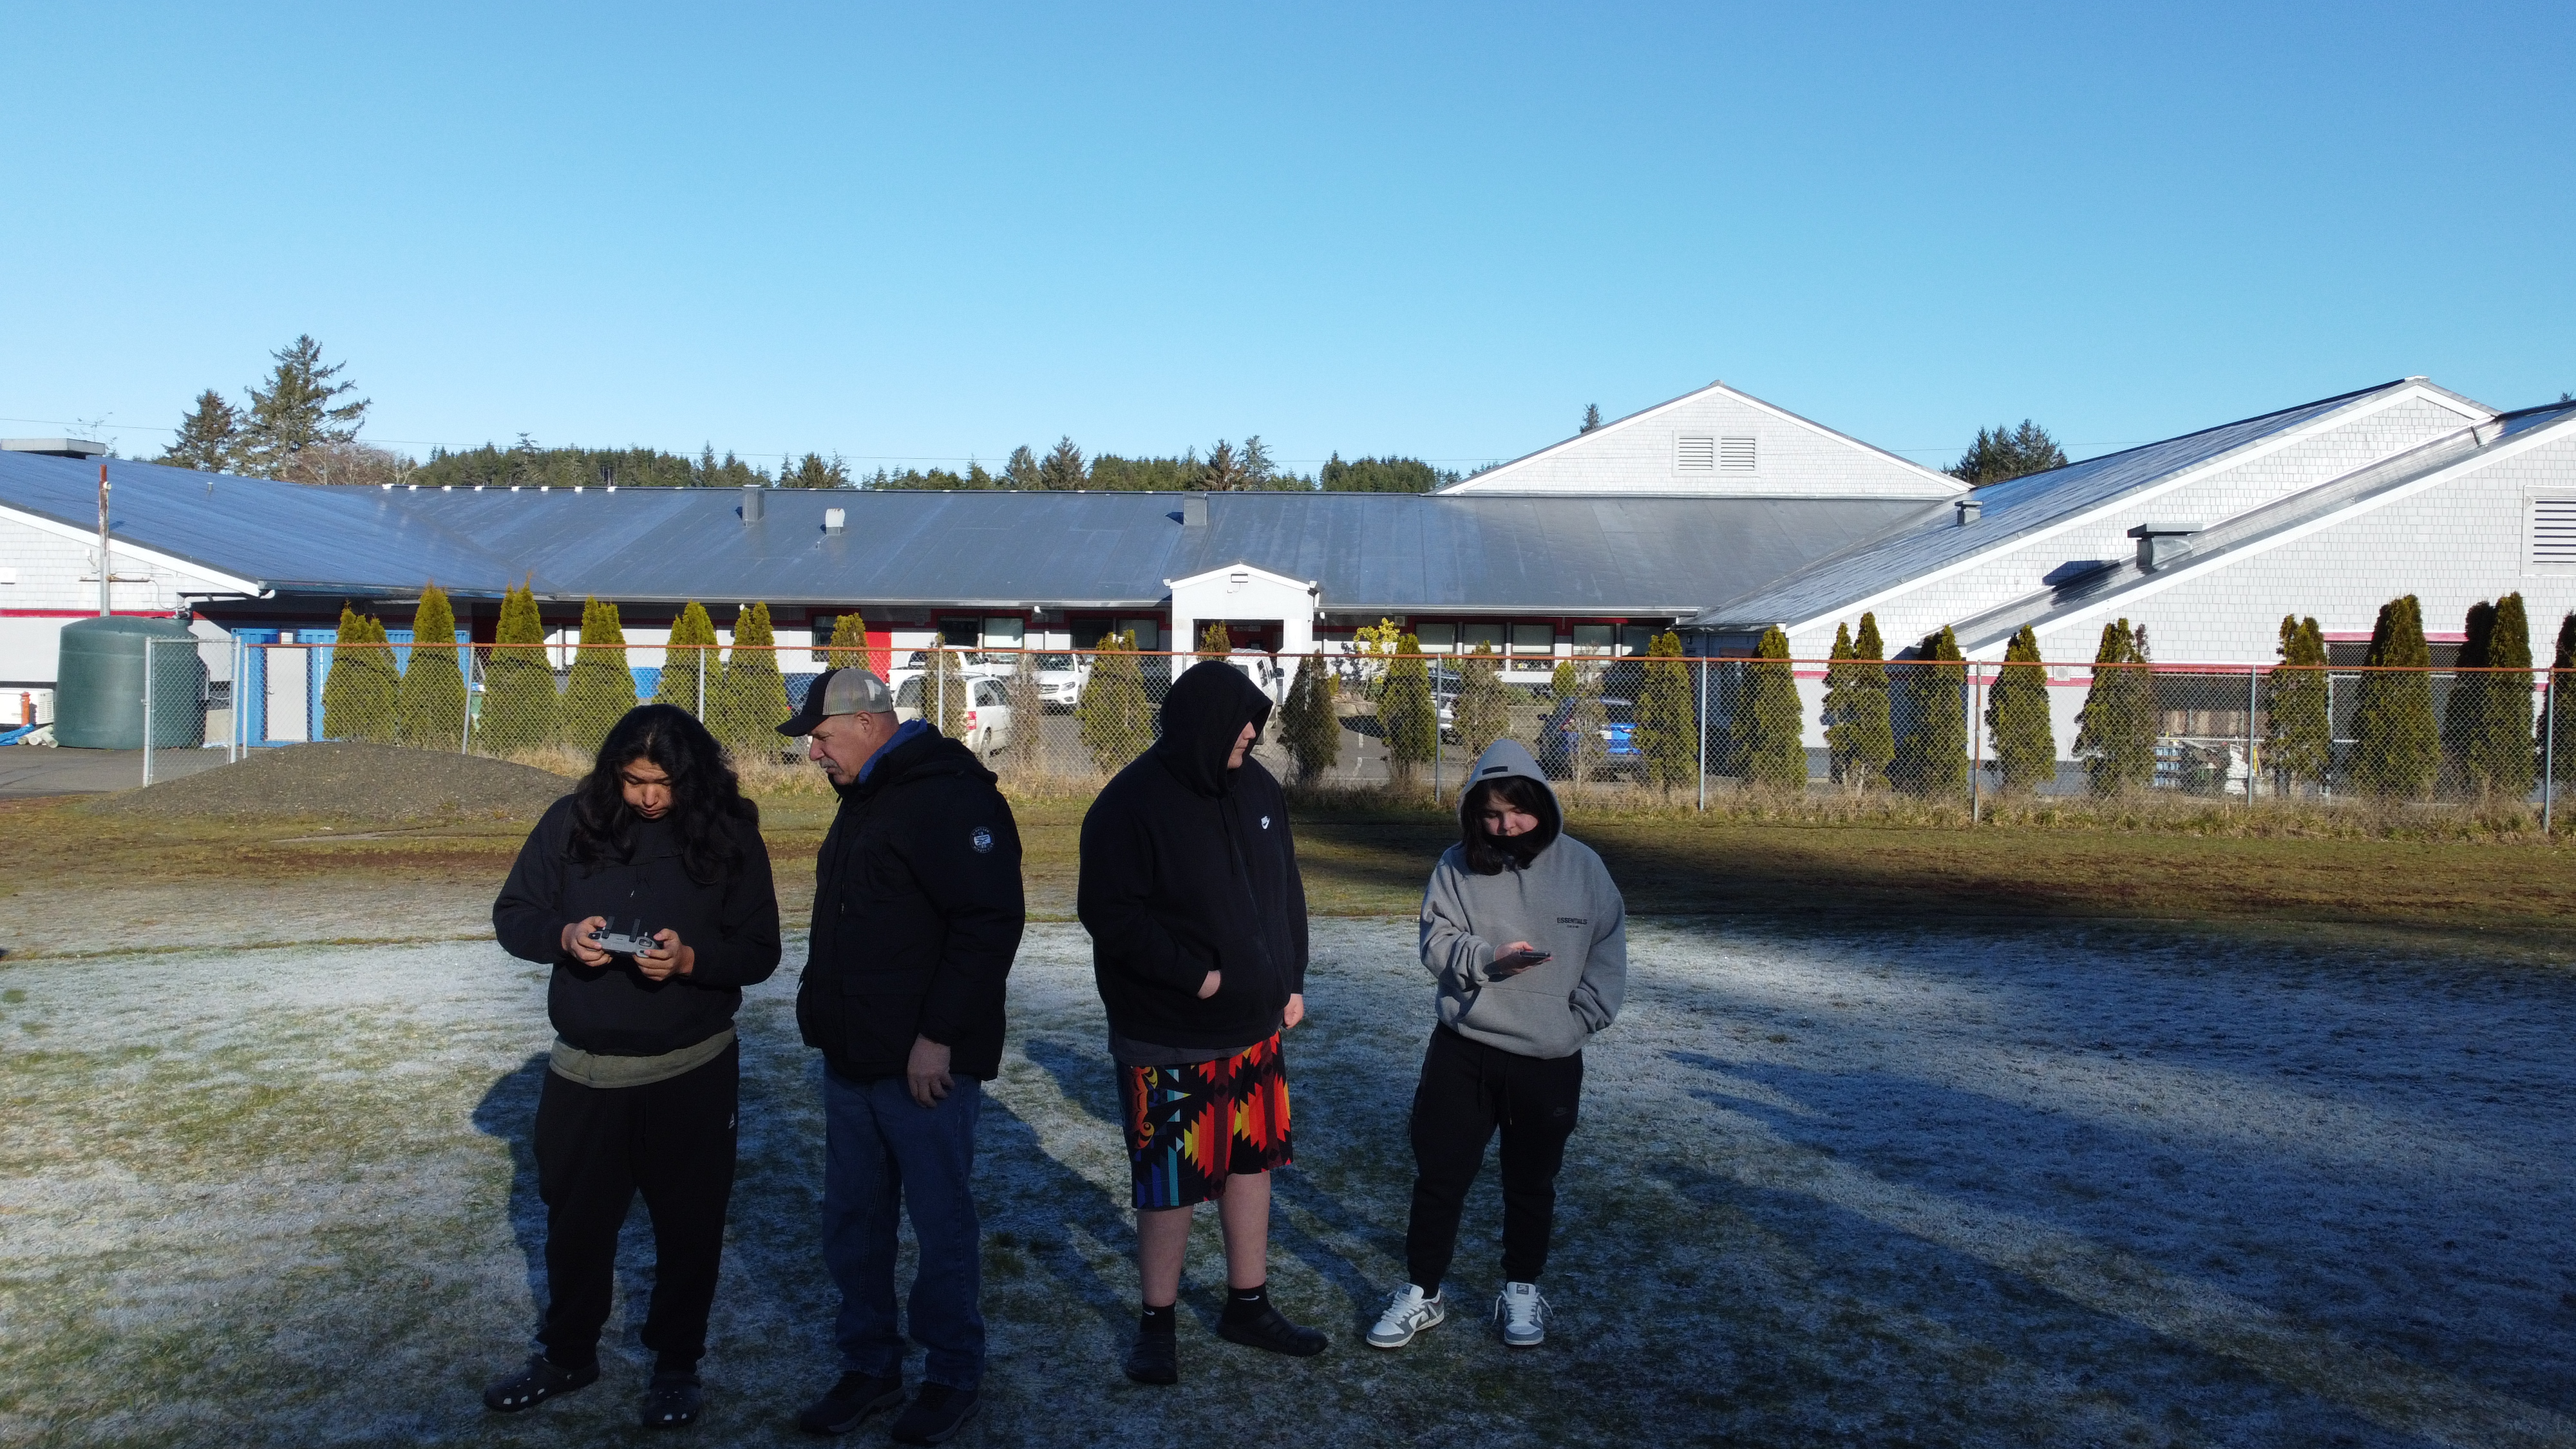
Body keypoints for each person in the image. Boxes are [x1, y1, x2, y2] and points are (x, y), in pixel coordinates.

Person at [483, 704, 781, 1428]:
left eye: (664, 782)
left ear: (694, 777)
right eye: (635, 780)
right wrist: (562, 935)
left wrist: (689, 961)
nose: (648, 796)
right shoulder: (569, 821)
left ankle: (677, 1366)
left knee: (689, 1226)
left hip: (692, 1068)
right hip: (586, 1072)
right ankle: (567, 1354)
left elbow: (760, 950)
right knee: (575, 1225)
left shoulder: (730, 832)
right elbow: (513, 914)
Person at [782, 666, 1023, 1445]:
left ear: (865, 723)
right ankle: (869, 1366)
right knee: (853, 1221)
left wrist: (939, 1037)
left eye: (820, 738)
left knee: (938, 1220)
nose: (813, 754)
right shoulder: (864, 798)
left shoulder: (950, 797)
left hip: (924, 1068)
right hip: (853, 1059)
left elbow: (987, 925)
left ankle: (951, 1373)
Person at [1078, 659, 1324, 1385]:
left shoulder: (1258, 788)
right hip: (1168, 1031)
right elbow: (1110, 914)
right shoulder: (1129, 805)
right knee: (1172, 1182)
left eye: (1257, 719)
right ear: (1199, 725)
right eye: (1241, 721)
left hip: (1254, 1030)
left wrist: (1290, 978)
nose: (1252, 732)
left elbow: (1285, 891)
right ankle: (1157, 1322)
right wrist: (1196, 976)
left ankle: (1248, 1304)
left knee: (1251, 1162)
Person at [1367, 738, 1625, 1352]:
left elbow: (1608, 955)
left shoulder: (1585, 868)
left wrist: (1575, 1022)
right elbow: (1436, 942)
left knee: (1532, 1181)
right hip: (1466, 1048)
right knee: (1440, 1175)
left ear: (1543, 803)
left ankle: (1521, 1290)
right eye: (1492, 814)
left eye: (1519, 810)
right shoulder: (1455, 866)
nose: (1507, 826)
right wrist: (1486, 961)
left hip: (1549, 1058)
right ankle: (1422, 1292)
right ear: (1473, 815)